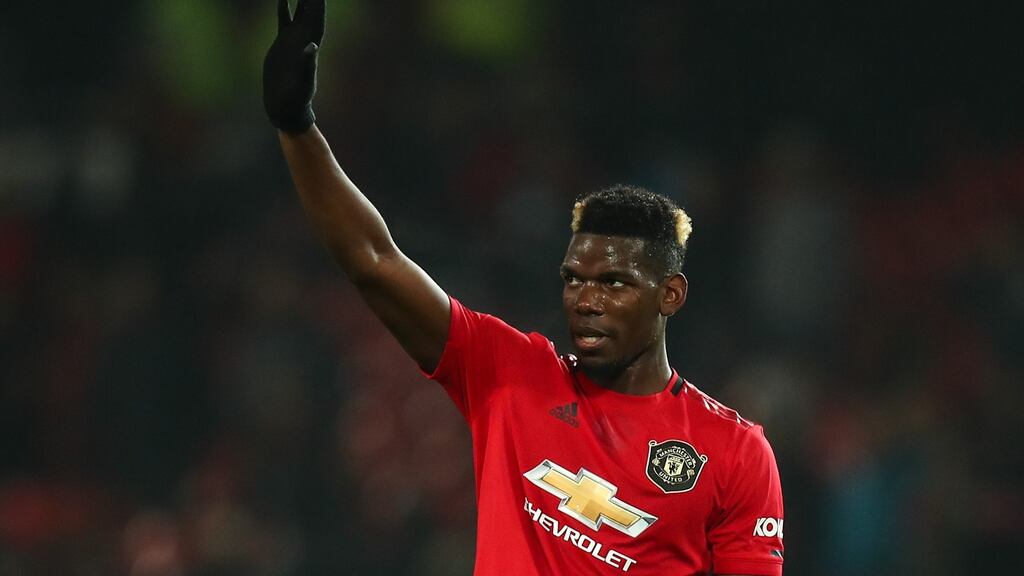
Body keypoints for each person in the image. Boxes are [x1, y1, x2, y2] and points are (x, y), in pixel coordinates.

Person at [263, 1, 785, 574]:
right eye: (574, 280)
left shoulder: (733, 452)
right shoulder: (508, 373)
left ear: (671, 295)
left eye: (613, 283)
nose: (587, 300)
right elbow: (374, 261)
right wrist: (297, 127)